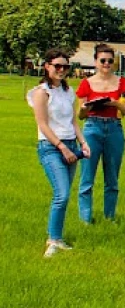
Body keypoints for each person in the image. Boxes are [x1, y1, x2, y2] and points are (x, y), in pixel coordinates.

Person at [27, 48, 91, 257]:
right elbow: (43, 124)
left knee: (64, 195)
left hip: (72, 145)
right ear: (47, 66)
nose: (62, 70)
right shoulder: (40, 92)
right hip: (51, 147)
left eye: (65, 66)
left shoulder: (67, 91)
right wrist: (61, 147)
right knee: (61, 194)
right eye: (57, 66)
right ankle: (53, 240)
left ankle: (58, 238)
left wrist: (83, 142)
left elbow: (72, 120)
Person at [76, 43, 125, 223]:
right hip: (92, 127)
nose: (107, 64)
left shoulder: (123, 83)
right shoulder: (86, 83)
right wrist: (87, 107)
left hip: (114, 128)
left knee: (112, 178)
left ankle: (110, 217)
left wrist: (115, 104)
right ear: (95, 62)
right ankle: (86, 219)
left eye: (110, 61)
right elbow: (80, 115)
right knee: (87, 177)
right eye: (103, 60)